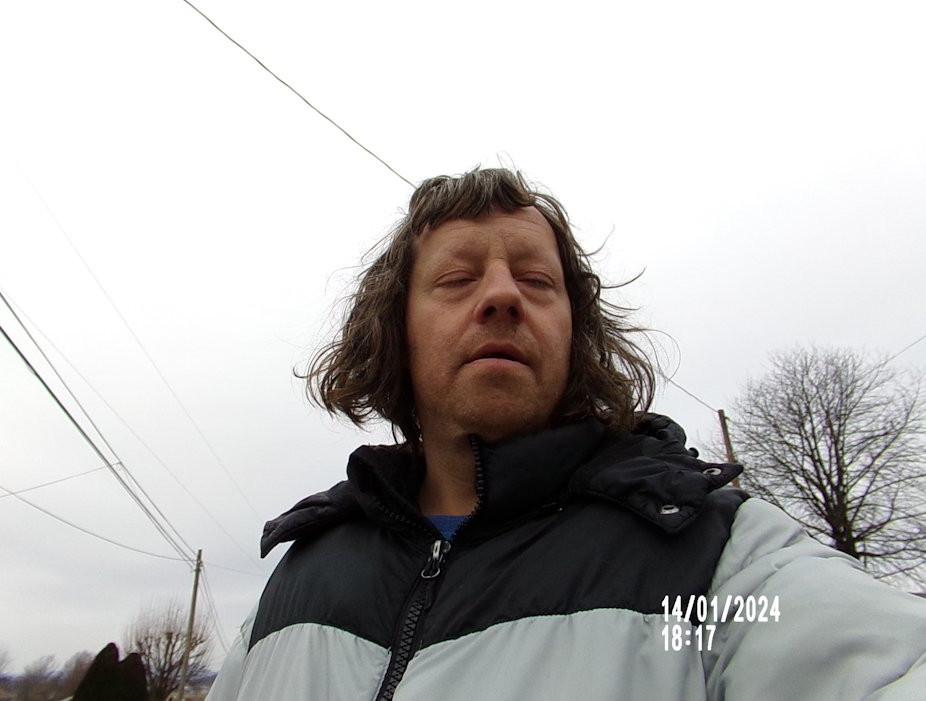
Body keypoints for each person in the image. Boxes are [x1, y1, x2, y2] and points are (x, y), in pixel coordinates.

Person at [207, 168, 926, 701]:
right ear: (396, 331)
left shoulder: (717, 561)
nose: (502, 295)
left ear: (574, 335)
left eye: (536, 280)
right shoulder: (294, 586)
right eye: (457, 278)